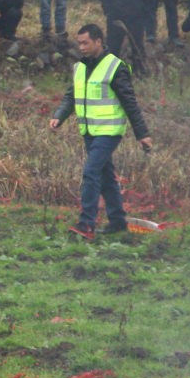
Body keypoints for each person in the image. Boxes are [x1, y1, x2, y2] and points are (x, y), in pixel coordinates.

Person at [50, 24, 152, 239]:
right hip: (89, 130)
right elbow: (71, 96)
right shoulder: (79, 67)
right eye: (79, 43)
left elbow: (130, 102)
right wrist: (59, 116)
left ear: (98, 41)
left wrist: (142, 134)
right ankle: (117, 222)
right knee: (106, 176)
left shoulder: (115, 67)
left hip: (109, 131)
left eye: (85, 43)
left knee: (91, 172)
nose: (81, 47)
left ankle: (86, 224)